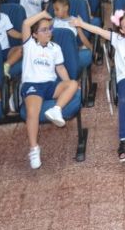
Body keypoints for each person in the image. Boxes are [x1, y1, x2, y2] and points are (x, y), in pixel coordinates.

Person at [72, 11, 125, 161]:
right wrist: (81, 24)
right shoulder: (118, 39)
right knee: (124, 102)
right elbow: (98, 30)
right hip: (124, 79)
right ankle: (124, 140)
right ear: (122, 30)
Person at [20, 10, 79, 169]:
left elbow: (60, 68)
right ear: (34, 34)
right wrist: (42, 14)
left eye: (49, 29)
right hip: (33, 85)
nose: (48, 32)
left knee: (73, 84)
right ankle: (34, 149)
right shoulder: (29, 45)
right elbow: (26, 23)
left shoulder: (55, 48)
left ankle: (56, 109)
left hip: (50, 85)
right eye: (44, 30)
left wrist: (68, 84)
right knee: (32, 112)